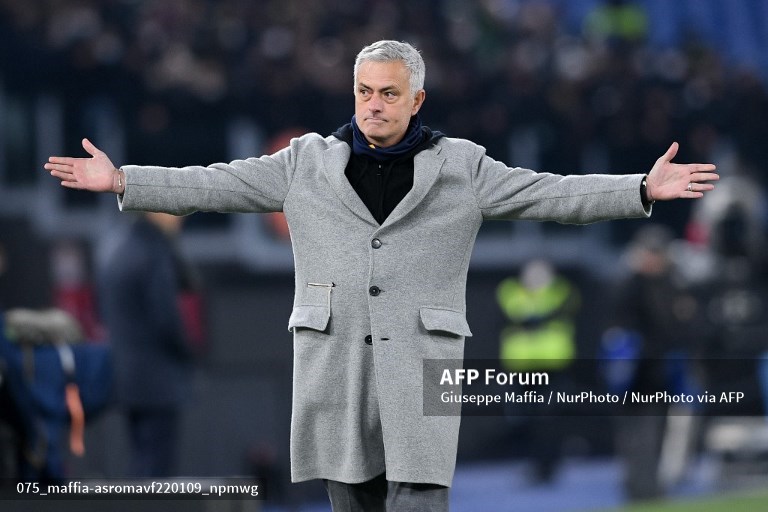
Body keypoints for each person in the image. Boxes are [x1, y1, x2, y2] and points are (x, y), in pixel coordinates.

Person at [44, 40, 718, 511]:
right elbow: (215, 183)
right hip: (334, 370)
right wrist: (124, 180)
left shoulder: (462, 166)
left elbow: (550, 193)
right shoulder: (304, 161)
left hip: (422, 370)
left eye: (388, 93)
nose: (373, 104)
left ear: (416, 98)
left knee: (420, 501)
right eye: (364, 92)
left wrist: (639, 188)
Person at [95, 212, 197, 478]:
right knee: (156, 468)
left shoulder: (116, 246)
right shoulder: (152, 251)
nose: (180, 215)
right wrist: (188, 352)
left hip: (127, 377)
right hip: (158, 379)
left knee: (142, 460)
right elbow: (167, 319)